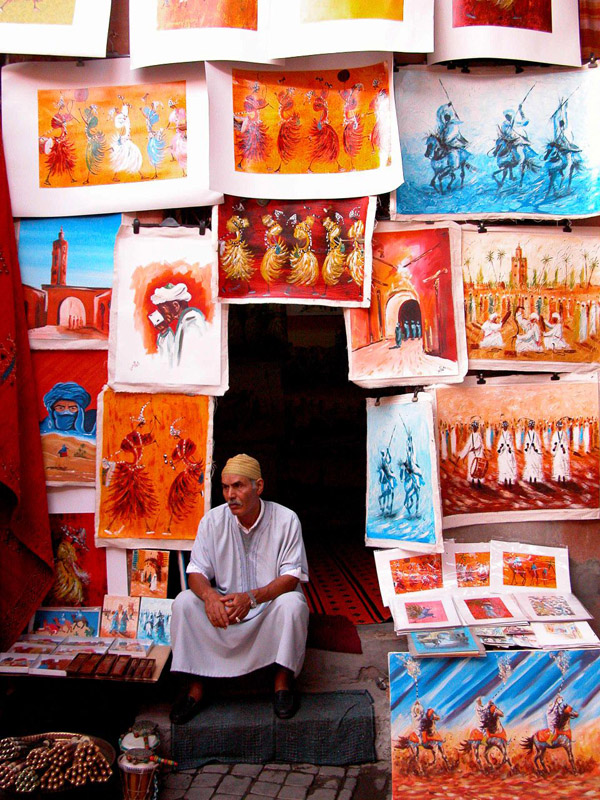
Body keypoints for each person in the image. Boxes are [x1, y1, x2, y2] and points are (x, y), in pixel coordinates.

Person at [169, 454, 309, 724]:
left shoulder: (286, 519)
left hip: (266, 609)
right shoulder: (212, 521)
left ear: (259, 486)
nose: (230, 494)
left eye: (238, 486)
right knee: (184, 602)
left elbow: (291, 577)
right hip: (225, 611)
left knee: (293, 603)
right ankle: (196, 688)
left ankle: (282, 684)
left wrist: (253, 598)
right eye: (225, 487)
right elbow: (196, 571)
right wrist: (210, 597)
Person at [150, 281, 207, 370]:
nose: (162, 314)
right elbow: (172, 358)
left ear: (175, 305)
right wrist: (164, 331)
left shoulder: (192, 322)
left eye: (162, 309)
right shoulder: (184, 322)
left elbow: (184, 364)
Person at [496, 420, 517, 485]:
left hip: (508, 452)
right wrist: (500, 448)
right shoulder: (501, 434)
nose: (504, 427)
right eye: (503, 426)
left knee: (509, 465)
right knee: (503, 465)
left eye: (505, 426)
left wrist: (509, 447)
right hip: (503, 453)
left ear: (507, 427)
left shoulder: (509, 434)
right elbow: (500, 442)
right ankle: (503, 479)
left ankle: (509, 479)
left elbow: (511, 442)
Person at [523, 419, 544, 483]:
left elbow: (539, 443)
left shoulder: (536, 434)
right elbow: (526, 442)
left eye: (532, 426)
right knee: (530, 464)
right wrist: (527, 447)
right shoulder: (527, 434)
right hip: (530, 452)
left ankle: (535, 477)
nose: (531, 427)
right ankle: (530, 477)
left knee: (535, 464)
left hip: (535, 452)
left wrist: (535, 447)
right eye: (530, 426)